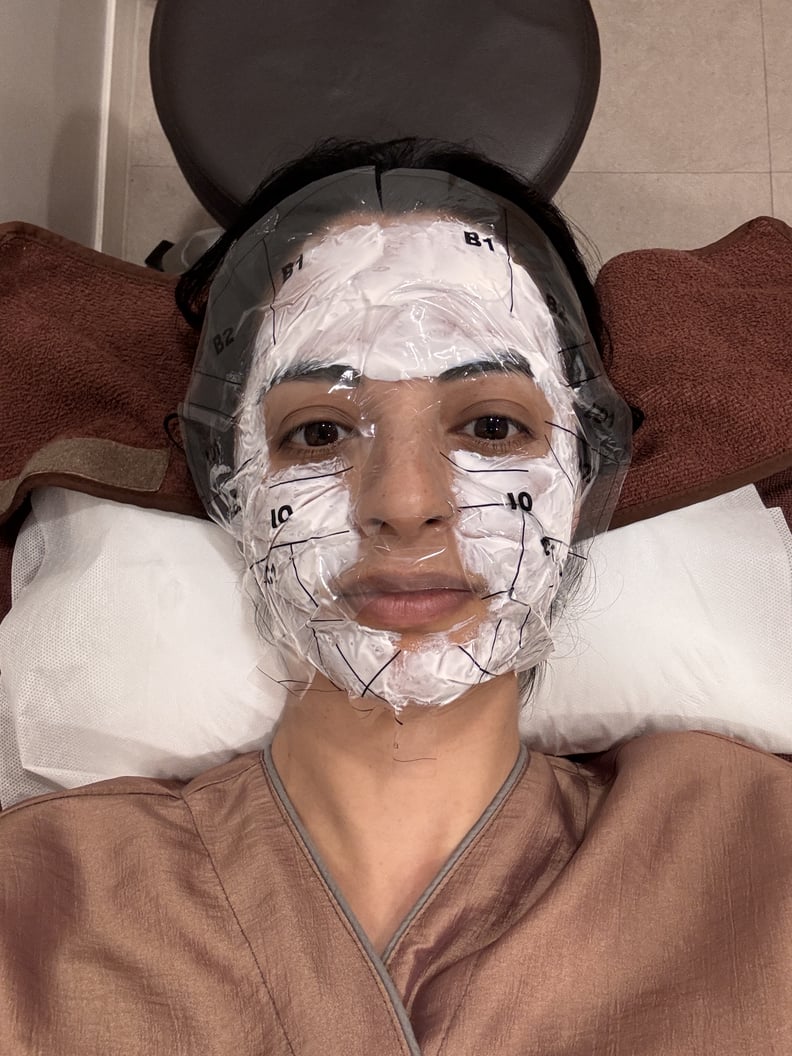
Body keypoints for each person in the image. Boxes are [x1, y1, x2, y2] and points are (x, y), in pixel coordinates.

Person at [1, 138, 792, 1056]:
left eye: (491, 426)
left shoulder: (758, 863)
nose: (407, 503)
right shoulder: (37, 910)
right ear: (230, 485)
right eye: (318, 433)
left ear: (586, 471)